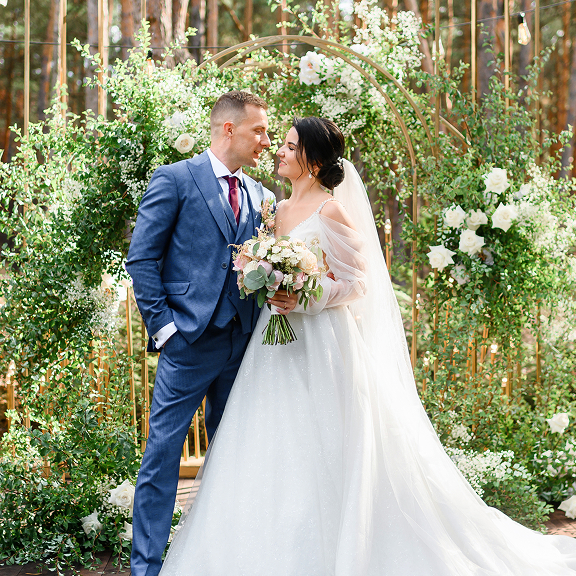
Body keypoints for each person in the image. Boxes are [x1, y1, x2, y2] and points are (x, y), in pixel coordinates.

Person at [159, 117, 576, 575]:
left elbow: (357, 283)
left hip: (322, 343)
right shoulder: (273, 211)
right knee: (270, 442)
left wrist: (305, 295)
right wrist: (262, 281)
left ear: (313, 162)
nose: (279, 151)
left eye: (290, 146)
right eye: (281, 143)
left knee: (325, 445)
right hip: (273, 344)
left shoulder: (331, 210)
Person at [125, 90, 297, 576]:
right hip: (187, 344)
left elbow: (265, 267)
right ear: (229, 129)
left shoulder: (265, 197)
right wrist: (166, 330)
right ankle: (146, 569)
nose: (267, 141)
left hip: (244, 346)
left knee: (235, 457)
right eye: (259, 131)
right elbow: (142, 258)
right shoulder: (175, 179)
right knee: (161, 457)